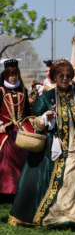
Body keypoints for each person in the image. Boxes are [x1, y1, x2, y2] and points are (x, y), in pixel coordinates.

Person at [9, 60, 75, 228]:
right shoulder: (45, 98)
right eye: (61, 75)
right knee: (60, 180)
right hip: (55, 151)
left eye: (68, 75)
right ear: (54, 77)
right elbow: (35, 124)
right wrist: (45, 118)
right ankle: (58, 213)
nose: (65, 78)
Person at [0, 59, 34, 199]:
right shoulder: (0, 90)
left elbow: (27, 111)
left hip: (21, 127)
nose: (13, 77)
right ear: (5, 75)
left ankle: (22, 190)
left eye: (15, 74)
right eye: (10, 75)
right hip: (5, 128)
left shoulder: (23, 90)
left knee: (29, 153)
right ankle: (5, 191)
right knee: (5, 154)